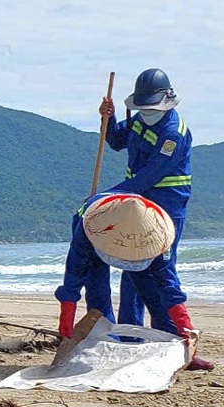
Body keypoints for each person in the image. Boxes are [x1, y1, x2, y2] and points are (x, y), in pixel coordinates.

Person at [56, 192, 201, 361]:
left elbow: (168, 284)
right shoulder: (88, 229)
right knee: (97, 291)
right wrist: (68, 310)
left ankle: (174, 342)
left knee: (151, 290)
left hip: (141, 234)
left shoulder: (160, 234)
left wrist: (183, 323)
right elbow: (75, 272)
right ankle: (105, 342)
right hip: (97, 232)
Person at [103, 70, 193, 332]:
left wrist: (107, 197)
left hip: (167, 206)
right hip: (136, 204)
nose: (147, 112)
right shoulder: (139, 121)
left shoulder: (173, 134)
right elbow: (116, 141)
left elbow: (148, 176)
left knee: (162, 269)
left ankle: (171, 334)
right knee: (131, 264)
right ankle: (131, 332)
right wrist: (109, 119)